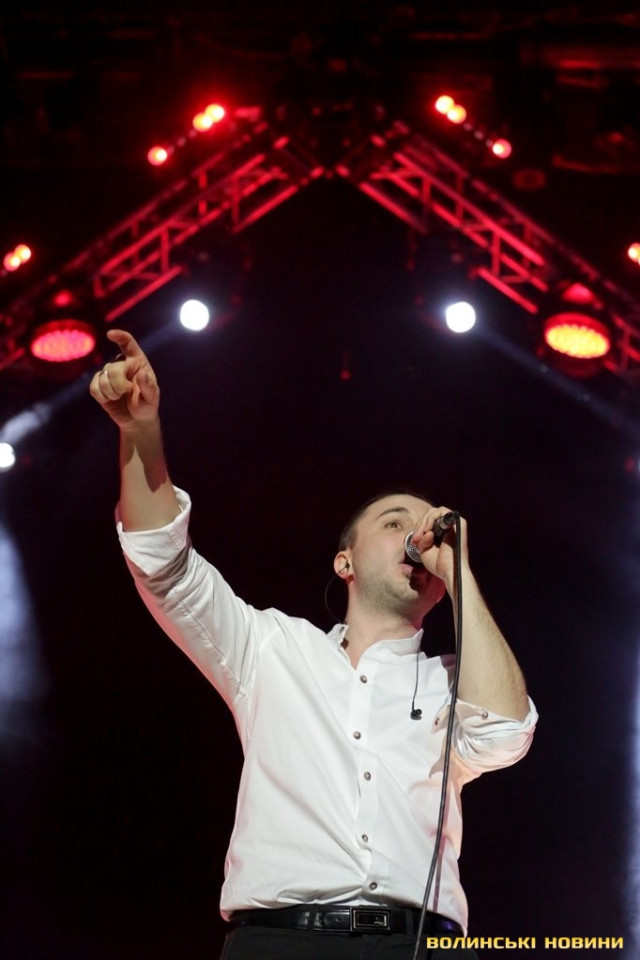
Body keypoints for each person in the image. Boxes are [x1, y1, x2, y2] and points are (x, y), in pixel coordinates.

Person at [90, 329, 537, 960]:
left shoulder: (452, 682)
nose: (418, 537)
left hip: (416, 945)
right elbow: (164, 565)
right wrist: (140, 431)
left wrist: (458, 567)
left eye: (427, 528)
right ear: (344, 562)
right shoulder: (271, 647)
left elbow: (503, 734)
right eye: (395, 523)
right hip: (280, 941)